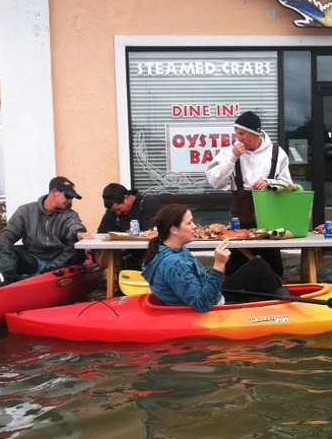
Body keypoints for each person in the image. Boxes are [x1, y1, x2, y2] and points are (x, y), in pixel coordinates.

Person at [142, 203, 288, 312]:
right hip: (212, 305)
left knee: (257, 266)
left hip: (212, 294)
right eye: (189, 223)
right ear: (173, 229)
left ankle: (282, 302)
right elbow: (201, 304)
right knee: (260, 269)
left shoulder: (167, 248)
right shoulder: (174, 263)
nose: (195, 226)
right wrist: (218, 265)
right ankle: (287, 309)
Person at [205, 110, 292, 275]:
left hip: (270, 224)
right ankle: (237, 297)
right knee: (236, 272)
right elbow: (214, 181)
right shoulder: (229, 152)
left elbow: (289, 186)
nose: (237, 137)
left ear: (255, 134)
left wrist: (269, 183)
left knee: (272, 272)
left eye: (241, 133)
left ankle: (273, 296)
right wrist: (232, 158)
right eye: (236, 133)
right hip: (239, 225)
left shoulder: (276, 153)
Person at [0, 176, 92, 283]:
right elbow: (9, 234)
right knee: (8, 252)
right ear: (54, 192)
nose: (70, 201)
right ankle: (0, 286)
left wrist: (79, 233)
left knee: (77, 250)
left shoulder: (69, 214)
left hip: (59, 261)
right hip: (34, 258)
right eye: (67, 196)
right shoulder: (26, 211)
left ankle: (41, 276)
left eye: (72, 198)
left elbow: (74, 225)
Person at [97, 183, 161, 270]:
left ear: (126, 198)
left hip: (150, 255)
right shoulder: (112, 212)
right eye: (114, 211)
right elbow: (101, 233)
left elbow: (152, 234)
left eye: (119, 209)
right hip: (126, 255)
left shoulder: (147, 203)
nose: (118, 213)